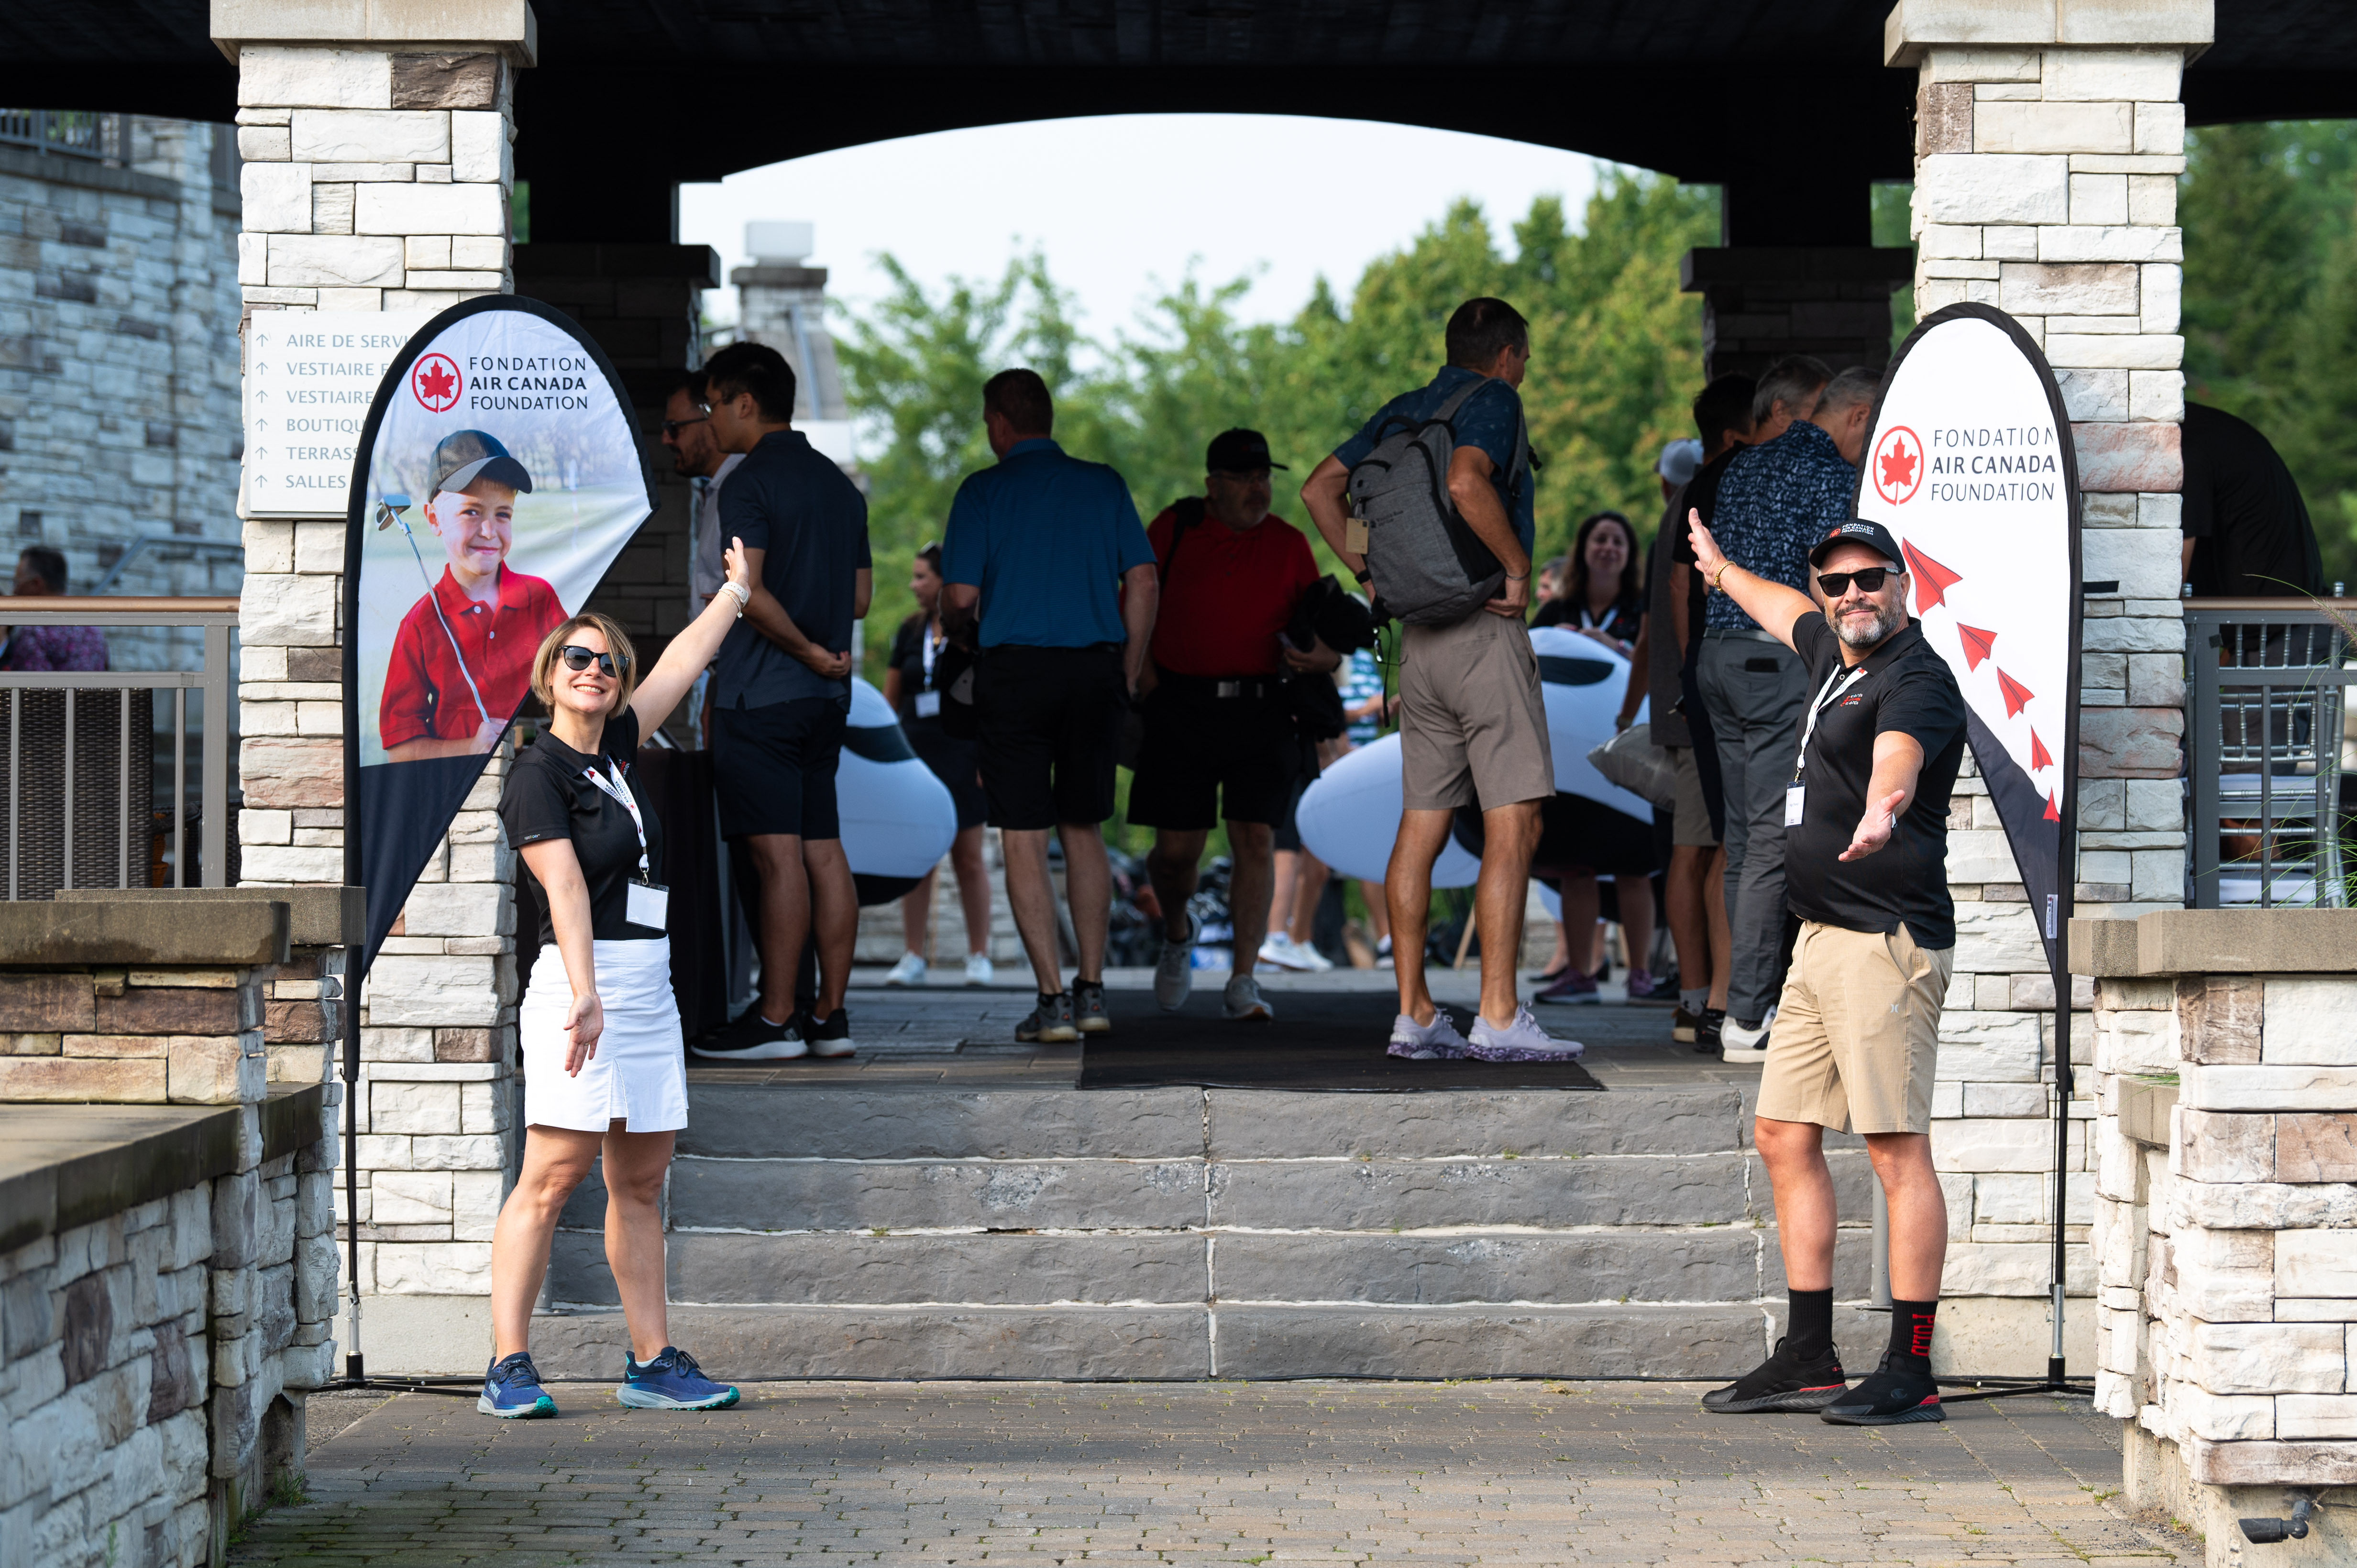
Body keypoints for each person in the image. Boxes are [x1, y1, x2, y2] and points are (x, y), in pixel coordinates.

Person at [1685, 512, 1967, 1428]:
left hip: (1883, 940)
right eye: (1835, 581)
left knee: (1894, 1149)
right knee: (1781, 1132)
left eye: (1868, 577)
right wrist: (1720, 570)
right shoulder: (1830, 655)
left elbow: (1900, 751)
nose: (1852, 594)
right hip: (1817, 940)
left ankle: (1910, 1368)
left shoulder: (1914, 675)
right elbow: (1782, 611)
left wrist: (1885, 805)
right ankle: (1809, 1353)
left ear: (1900, 582)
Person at [481, 540, 760, 1419]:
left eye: (608, 662)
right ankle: (507, 1364)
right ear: (548, 675)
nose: (594, 670)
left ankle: (650, 1362)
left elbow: (680, 663)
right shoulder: (538, 773)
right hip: (583, 986)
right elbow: (564, 887)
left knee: (639, 1181)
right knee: (552, 1173)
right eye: (577, 657)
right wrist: (584, 991)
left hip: (645, 986)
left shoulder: (617, 754)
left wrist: (736, 594)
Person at [1300, 296, 1580, 1063]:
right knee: (1514, 823)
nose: (1524, 370)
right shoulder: (1495, 401)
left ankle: (1415, 1014)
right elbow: (1464, 482)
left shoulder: (1401, 411)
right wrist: (1516, 567)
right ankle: (1498, 1015)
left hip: (1418, 644)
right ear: (1507, 355)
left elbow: (1321, 488)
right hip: (1485, 629)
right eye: (1524, 358)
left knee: (1420, 823)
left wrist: (1370, 571)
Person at [941, 369, 1158, 1043]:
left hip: (1015, 673)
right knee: (1083, 826)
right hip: (1094, 670)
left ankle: (1052, 1001)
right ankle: (1092, 992)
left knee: (1023, 834)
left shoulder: (982, 491)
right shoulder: (1103, 484)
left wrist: (961, 622)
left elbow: (959, 597)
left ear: (1000, 422)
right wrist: (1126, 669)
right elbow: (1144, 580)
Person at [1689, 358, 1880, 1057]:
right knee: (1774, 839)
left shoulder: (1744, 463)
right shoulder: (1830, 473)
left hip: (1717, 658)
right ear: (1858, 416)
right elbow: (1829, 582)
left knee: (1744, 842)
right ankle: (1748, 1017)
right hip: (1773, 663)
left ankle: (1742, 1002)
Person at [691, 341, 872, 1063]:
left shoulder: (749, 481)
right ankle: (830, 1015)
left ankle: (775, 1020)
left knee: (776, 858)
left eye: (713, 404)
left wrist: (802, 650)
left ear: (745, 402)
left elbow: (748, 590)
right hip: (825, 701)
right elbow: (860, 597)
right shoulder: (839, 486)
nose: (710, 419)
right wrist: (822, 654)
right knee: (823, 849)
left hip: (763, 694)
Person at [1130, 428, 1329, 1020]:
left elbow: (1320, 633)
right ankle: (1176, 931)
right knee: (1175, 854)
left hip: (1261, 706)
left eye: (1263, 477)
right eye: (1243, 478)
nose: (1257, 488)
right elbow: (1135, 602)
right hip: (1179, 706)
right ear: (1212, 485)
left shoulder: (1290, 543)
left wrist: (1321, 656)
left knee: (1255, 839)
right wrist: (1146, 682)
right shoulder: (1172, 528)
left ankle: (1244, 978)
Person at [1626, 390, 1751, 1052]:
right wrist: (1695, 678)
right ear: (1735, 434)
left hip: (1686, 693)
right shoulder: (1705, 496)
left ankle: (1696, 995)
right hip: (1700, 696)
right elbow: (1678, 592)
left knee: (1697, 846)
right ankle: (1708, 997)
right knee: (1713, 846)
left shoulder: (1677, 503)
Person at [378, 430, 566, 762]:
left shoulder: (540, 598)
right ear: (434, 519)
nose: (489, 531)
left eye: (503, 514)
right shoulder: (421, 623)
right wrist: (469, 748)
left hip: (540, 777)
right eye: (472, 512)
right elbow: (400, 751)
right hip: (460, 787)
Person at [1534, 508, 1656, 1006]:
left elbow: (1658, 661)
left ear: (1629, 555)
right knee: (1575, 865)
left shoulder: (1639, 610)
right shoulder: (1555, 611)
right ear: (1583, 549)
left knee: (1633, 863)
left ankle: (1640, 975)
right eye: (1599, 539)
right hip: (1569, 762)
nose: (1607, 548)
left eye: (1617, 541)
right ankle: (1579, 973)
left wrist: (1613, 646)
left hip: (1631, 749)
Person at [879, 542, 995, 987]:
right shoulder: (909, 630)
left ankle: (979, 955)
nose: (913, 585)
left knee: (969, 858)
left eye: (921, 576)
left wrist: (988, 758)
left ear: (946, 582)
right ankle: (913, 956)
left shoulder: (977, 630)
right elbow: (891, 700)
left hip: (964, 755)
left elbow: (988, 700)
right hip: (916, 758)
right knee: (920, 856)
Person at [660, 371, 743, 747]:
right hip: (725, 676)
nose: (666, 439)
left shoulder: (742, 489)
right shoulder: (716, 488)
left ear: (711, 419)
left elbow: (749, 589)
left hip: (742, 679)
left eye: (674, 427)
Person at [2179, 402, 2325, 598]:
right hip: (2283, 603)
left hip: (2268, 610)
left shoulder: (2188, 443)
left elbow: (2167, 588)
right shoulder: (2206, 431)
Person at [0, 547, 103, 671]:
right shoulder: (93, 630)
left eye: (17, 583)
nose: (15, 591)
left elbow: (30, 681)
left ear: (36, 585)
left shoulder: (35, 633)